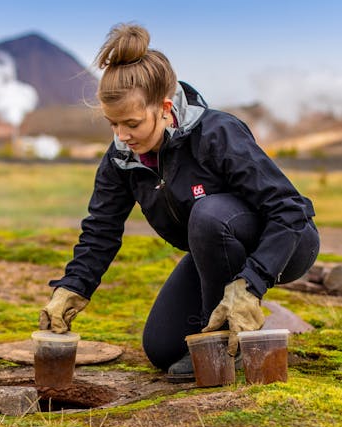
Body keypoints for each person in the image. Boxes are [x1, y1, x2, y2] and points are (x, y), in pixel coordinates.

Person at [39, 23, 320, 382]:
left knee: (208, 214)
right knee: (162, 349)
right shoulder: (122, 158)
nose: (122, 136)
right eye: (112, 125)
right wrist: (72, 287)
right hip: (215, 248)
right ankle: (231, 319)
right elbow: (101, 229)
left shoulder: (217, 134)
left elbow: (290, 208)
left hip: (286, 244)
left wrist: (251, 283)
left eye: (133, 123)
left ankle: (225, 343)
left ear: (165, 108)